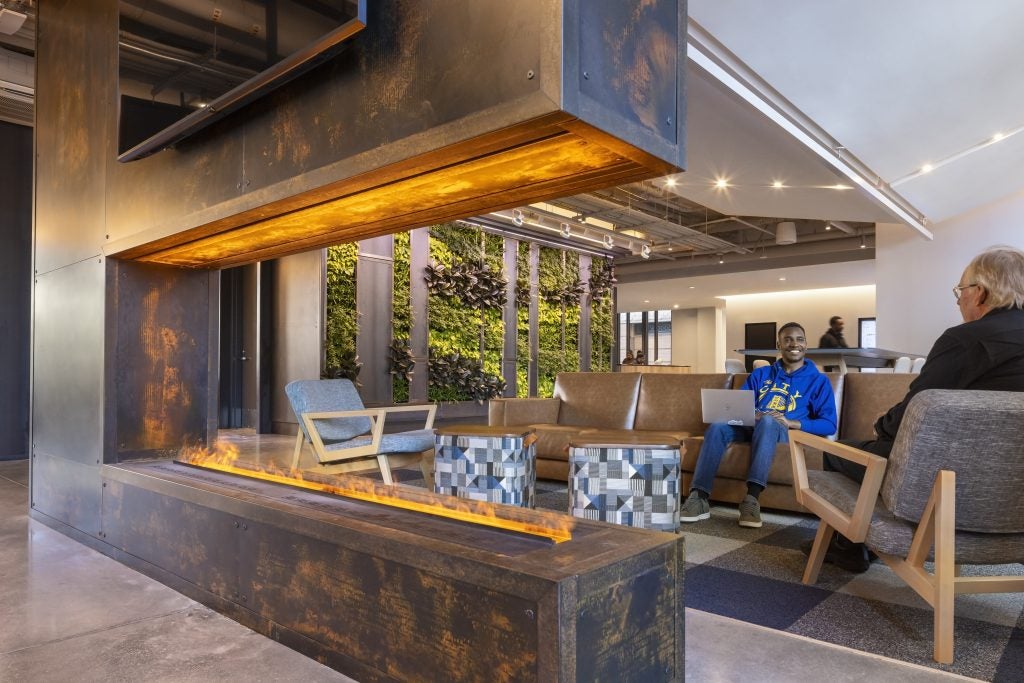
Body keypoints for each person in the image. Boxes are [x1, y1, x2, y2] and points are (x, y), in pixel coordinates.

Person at [818, 245, 1024, 572]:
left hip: (947, 487)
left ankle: (849, 550)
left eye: (961, 290)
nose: (958, 300)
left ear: (981, 293)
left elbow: (910, 419)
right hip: (1014, 494)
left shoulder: (965, 340)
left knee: (836, 451)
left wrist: (881, 425)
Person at [680, 322, 837, 528]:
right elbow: (738, 407)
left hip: (781, 431)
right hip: (751, 425)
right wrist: (754, 413)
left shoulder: (818, 381)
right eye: (787, 339)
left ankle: (752, 499)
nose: (794, 344)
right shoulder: (761, 375)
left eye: (799, 339)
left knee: (769, 422)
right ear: (778, 344)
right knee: (718, 426)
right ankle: (698, 497)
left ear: (806, 345)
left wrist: (791, 422)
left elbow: (829, 425)